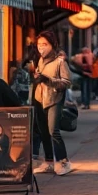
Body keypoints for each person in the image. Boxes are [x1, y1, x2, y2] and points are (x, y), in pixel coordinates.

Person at [31, 32, 74, 176]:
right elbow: (39, 78)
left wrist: (48, 80)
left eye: (45, 44)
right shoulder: (40, 61)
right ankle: (49, 161)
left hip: (54, 99)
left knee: (53, 130)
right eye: (39, 44)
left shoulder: (60, 61)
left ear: (52, 44)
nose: (41, 48)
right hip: (39, 99)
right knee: (43, 131)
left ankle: (64, 161)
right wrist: (37, 78)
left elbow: (67, 82)